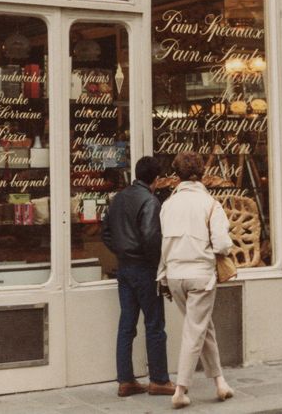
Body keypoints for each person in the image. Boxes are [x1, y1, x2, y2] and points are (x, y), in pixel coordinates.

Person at [157, 151, 234, 409]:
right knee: (195, 329)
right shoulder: (210, 204)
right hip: (201, 275)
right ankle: (181, 389)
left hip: (174, 275)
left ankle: (220, 381)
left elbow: (164, 240)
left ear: (176, 174)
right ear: (202, 174)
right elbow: (223, 244)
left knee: (201, 326)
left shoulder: (168, 205)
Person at [101, 155, 175, 398]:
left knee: (126, 324)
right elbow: (151, 238)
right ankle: (159, 380)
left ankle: (125, 380)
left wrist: (122, 251)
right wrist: (157, 267)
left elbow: (107, 233)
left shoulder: (119, 198)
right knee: (154, 325)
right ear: (156, 178)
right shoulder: (150, 201)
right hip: (144, 269)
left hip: (124, 268)